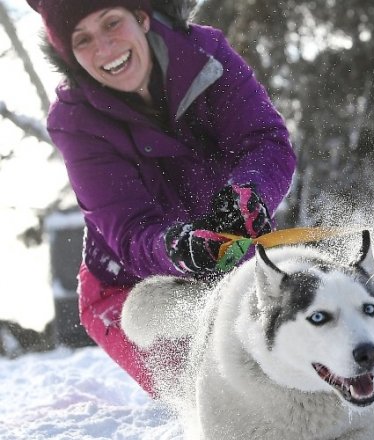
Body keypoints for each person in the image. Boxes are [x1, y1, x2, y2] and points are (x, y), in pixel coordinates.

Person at [28, 0, 296, 395]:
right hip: (133, 288)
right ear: (70, 56)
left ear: (140, 16)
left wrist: (247, 196)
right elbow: (132, 230)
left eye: (111, 23)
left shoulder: (206, 56)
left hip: (235, 257)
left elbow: (266, 142)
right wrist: (180, 248)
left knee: (297, 356)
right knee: (222, 389)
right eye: (82, 40)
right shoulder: (73, 120)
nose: (104, 49)